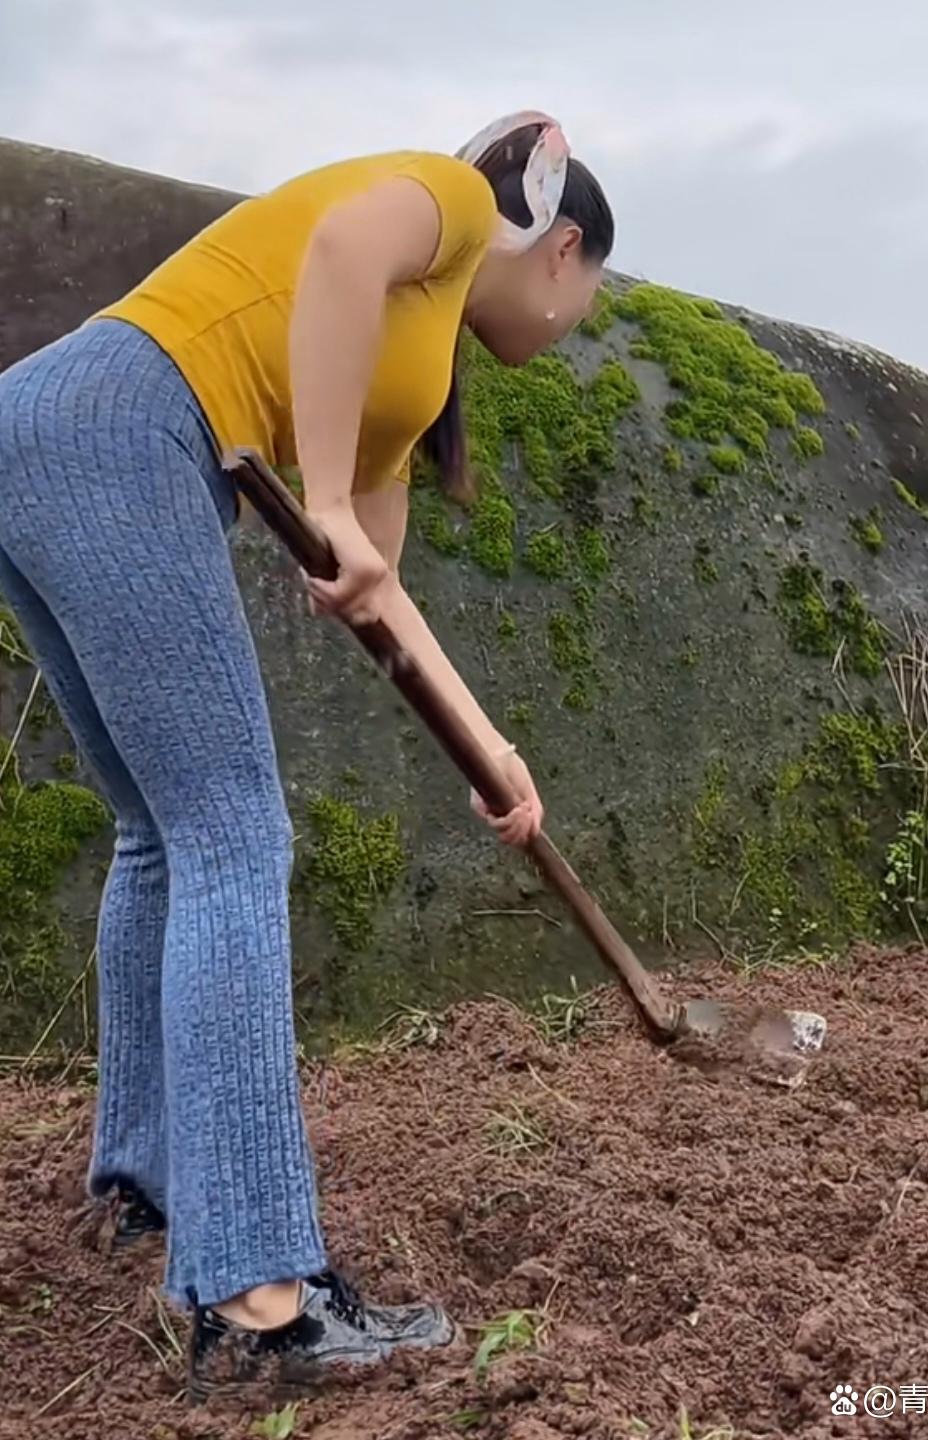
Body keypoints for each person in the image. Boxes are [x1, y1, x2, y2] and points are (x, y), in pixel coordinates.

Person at [0, 110, 614, 1401]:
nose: (576, 326)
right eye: (590, 296)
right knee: (234, 837)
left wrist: (492, 755)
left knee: (162, 834)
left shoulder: (407, 372)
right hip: (121, 420)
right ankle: (263, 1302)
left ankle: (148, 1184)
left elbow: (378, 601)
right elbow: (339, 246)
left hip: (39, 426)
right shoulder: (443, 202)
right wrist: (322, 494)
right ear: (561, 249)